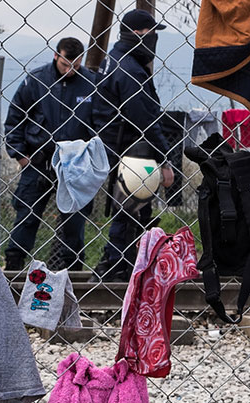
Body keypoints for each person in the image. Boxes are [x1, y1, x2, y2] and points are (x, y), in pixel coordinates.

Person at [4, 37, 102, 272]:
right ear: (56, 56)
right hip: (38, 163)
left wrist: (94, 158)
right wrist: (20, 154)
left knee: (74, 223)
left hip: (75, 166)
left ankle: (73, 273)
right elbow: (15, 118)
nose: (70, 71)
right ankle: (13, 266)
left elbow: (101, 122)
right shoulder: (36, 81)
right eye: (65, 64)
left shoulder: (92, 83)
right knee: (26, 217)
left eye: (75, 66)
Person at [95, 9, 180, 281]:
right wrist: (166, 160)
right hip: (133, 151)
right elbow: (145, 119)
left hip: (118, 147)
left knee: (135, 211)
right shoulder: (129, 69)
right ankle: (117, 265)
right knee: (129, 210)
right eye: (152, 33)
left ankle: (131, 264)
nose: (155, 38)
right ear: (140, 34)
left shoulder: (116, 59)